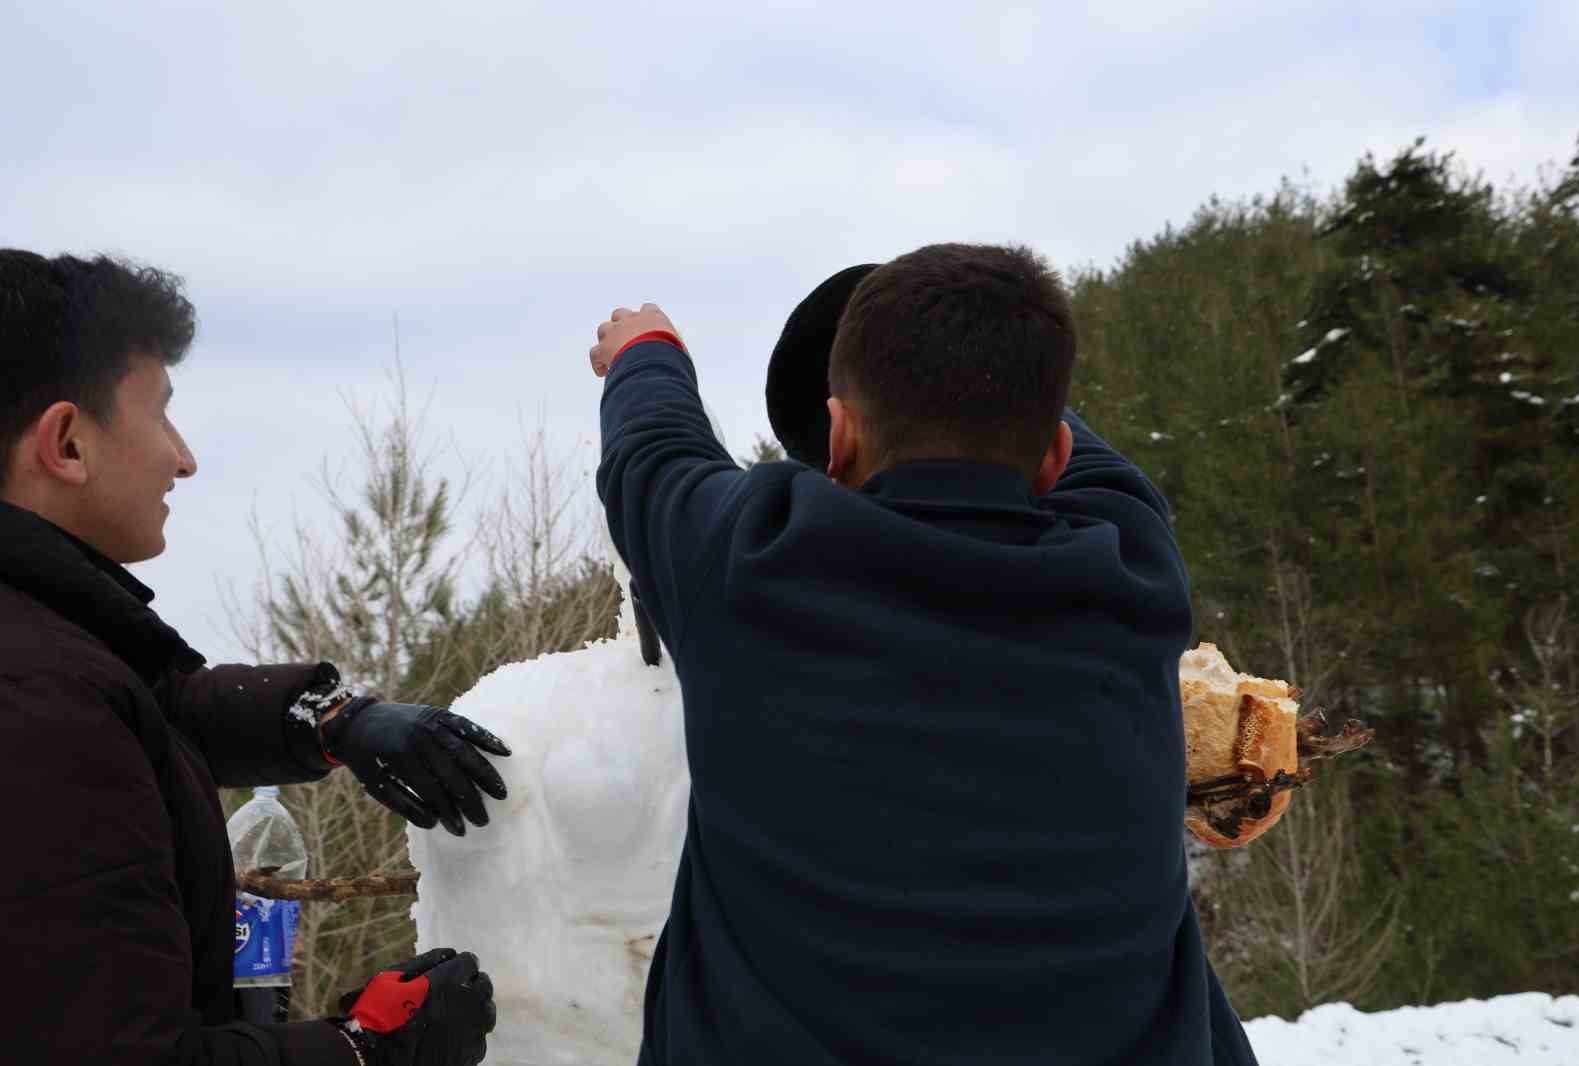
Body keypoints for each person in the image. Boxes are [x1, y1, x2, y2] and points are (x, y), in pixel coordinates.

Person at [588, 243, 1258, 1066]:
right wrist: (971, 343)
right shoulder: (1131, 572)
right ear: (1051, 453)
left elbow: (652, 450)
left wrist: (645, 352)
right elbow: (1054, 438)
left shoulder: (747, 570)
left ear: (835, 438)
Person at [0, 250, 503, 1066]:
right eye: (160, 415)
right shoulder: (37, 702)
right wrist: (365, 1047)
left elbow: (155, 704)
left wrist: (333, 721)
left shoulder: (51, 645)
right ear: (66, 443)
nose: (183, 457)